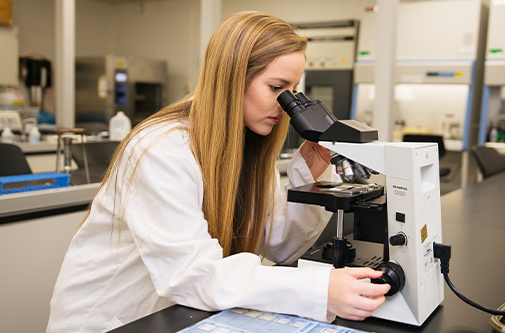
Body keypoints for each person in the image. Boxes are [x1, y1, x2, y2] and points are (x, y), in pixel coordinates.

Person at [47, 11, 389, 332]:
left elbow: (281, 246)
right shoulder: (162, 149)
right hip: (118, 319)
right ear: (231, 79)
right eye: (275, 88)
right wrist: (318, 288)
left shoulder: (246, 144)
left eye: (293, 91)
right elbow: (192, 274)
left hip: (186, 312)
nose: (286, 106)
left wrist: (308, 176)